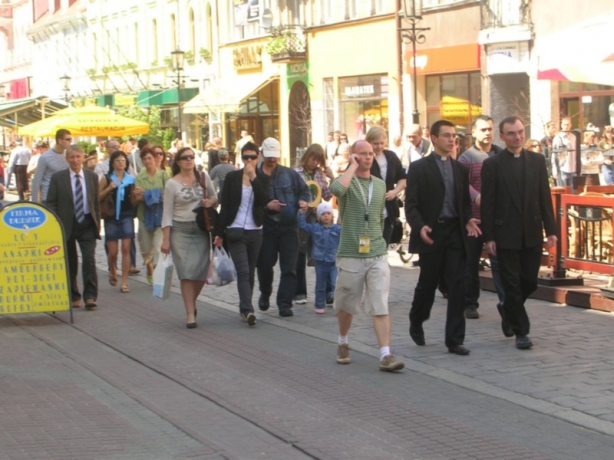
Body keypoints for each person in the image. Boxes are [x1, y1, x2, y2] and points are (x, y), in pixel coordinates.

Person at [406, 120, 481, 355]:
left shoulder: (460, 169)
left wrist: (467, 219)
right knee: (427, 284)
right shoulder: (419, 168)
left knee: (457, 285)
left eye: (453, 135)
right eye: (446, 135)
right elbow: (411, 205)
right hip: (432, 232)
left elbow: (464, 202)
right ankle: (417, 319)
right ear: (434, 138)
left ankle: (455, 340)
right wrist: (419, 226)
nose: (451, 140)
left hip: (455, 233)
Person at [481, 116, 557, 350]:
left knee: (529, 282)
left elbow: (544, 197)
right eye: (512, 133)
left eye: (520, 131)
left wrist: (551, 230)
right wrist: (489, 236)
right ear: (502, 137)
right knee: (512, 284)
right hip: (505, 234)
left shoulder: (537, 160)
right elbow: (488, 203)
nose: (518, 137)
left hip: (532, 232)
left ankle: (507, 309)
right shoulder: (492, 164)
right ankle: (521, 332)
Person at [331, 140, 404, 372]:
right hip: (351, 253)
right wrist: (351, 167)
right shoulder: (346, 181)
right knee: (347, 304)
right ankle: (343, 341)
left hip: (376, 251)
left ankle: (385, 354)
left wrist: (377, 239)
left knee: (380, 303)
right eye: (362, 154)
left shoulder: (379, 185)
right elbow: (336, 190)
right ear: (354, 156)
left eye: (371, 153)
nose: (369, 157)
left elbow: (379, 217)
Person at [213, 142, 269, 327]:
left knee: (250, 271)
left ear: (258, 158)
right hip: (235, 230)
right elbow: (225, 206)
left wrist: (253, 178)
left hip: (255, 231)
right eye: (246, 157)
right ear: (240, 158)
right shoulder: (232, 177)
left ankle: (244, 308)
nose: (249, 160)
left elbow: (263, 200)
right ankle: (248, 309)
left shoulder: (262, 178)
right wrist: (219, 232)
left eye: (253, 157)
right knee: (243, 271)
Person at [161, 147, 217, 329]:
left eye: (191, 157)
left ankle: (191, 302)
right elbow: (167, 213)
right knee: (186, 272)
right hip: (180, 230)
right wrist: (165, 239)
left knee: (200, 272)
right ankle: (190, 314)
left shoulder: (203, 177)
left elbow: (215, 197)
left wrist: (210, 202)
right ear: (178, 162)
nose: (189, 160)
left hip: (201, 228)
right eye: (185, 158)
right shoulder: (171, 184)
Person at [457, 115, 505, 321]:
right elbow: (460, 183)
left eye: (490, 129)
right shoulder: (466, 158)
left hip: (496, 219)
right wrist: (475, 195)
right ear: (474, 132)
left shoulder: (500, 155)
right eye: (483, 129)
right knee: (471, 262)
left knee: (499, 263)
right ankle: (470, 303)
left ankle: (506, 304)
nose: (487, 133)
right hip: (474, 220)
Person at [256, 137, 310, 317]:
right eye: (269, 155)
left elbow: (304, 191)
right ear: (262, 153)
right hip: (266, 227)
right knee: (264, 265)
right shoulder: (255, 175)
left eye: (275, 156)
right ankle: (265, 292)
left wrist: (303, 201)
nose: (272, 159)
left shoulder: (289, 174)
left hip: (289, 226)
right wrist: (266, 205)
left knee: (289, 267)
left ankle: (284, 303)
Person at [45, 144, 101, 310]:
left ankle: (90, 296)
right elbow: (51, 203)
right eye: (72, 157)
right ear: (66, 159)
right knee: (70, 262)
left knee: (89, 260)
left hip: (87, 223)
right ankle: (73, 296)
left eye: (78, 157)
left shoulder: (92, 176)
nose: (75, 160)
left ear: (83, 158)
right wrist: (55, 224)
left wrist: (97, 223)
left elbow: (95, 202)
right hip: (67, 224)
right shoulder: (58, 178)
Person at [293, 144, 335, 304]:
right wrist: (301, 203)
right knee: (299, 253)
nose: (315, 162)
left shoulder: (319, 174)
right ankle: (299, 292)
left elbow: (327, 195)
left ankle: (328, 292)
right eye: (313, 158)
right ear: (307, 156)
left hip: (317, 218)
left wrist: (331, 178)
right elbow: (292, 194)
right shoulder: (296, 173)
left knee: (323, 254)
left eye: (318, 160)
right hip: (301, 217)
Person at [99, 150, 136, 294]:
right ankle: (112, 268)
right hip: (111, 216)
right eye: (118, 160)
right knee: (113, 252)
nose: (121, 163)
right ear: (112, 163)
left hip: (126, 216)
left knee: (126, 249)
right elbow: (97, 197)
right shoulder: (107, 178)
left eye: (123, 160)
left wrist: (137, 196)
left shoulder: (131, 179)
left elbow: (134, 200)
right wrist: (109, 188)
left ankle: (124, 281)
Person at [131, 147, 169, 285]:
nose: (147, 161)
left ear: (155, 159)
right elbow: (137, 197)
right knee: (146, 249)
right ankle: (149, 266)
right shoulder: (140, 177)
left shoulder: (163, 175)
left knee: (158, 247)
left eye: (149, 158)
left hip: (160, 217)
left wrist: (146, 194)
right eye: (145, 159)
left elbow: (167, 195)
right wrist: (155, 194)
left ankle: (158, 274)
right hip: (144, 216)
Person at [297, 201, 341, 314]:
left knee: (335, 283)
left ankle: (337, 302)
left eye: (328, 213)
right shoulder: (315, 228)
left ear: (332, 215)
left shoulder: (337, 229)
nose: (326, 216)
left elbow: (346, 238)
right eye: (323, 214)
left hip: (333, 262)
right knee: (320, 285)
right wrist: (301, 213)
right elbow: (303, 225)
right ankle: (319, 304)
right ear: (318, 216)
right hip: (320, 262)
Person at [367, 126, 406, 245]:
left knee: (384, 244)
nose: (379, 146)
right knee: (367, 246)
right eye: (375, 143)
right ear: (368, 142)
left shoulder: (391, 156)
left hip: (388, 209)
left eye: (382, 143)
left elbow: (402, 177)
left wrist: (395, 192)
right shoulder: (363, 157)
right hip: (368, 209)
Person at [32, 130, 72, 203]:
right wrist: (34, 203)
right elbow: (36, 181)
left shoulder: (69, 155)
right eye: (68, 139)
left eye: (71, 140)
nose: (70, 142)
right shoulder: (45, 157)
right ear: (59, 141)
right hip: (49, 198)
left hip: (64, 197)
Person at [552, 117, 577, 187]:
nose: (566, 126)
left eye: (568, 124)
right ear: (561, 125)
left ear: (571, 125)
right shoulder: (558, 137)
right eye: (564, 124)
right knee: (562, 190)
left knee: (572, 190)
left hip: (573, 168)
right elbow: (554, 154)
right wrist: (554, 170)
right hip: (562, 168)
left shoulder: (573, 137)